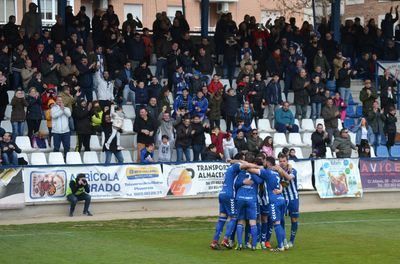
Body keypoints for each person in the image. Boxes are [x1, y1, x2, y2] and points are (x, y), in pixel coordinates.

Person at [210, 156, 254, 250]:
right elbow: (246, 164)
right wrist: (260, 167)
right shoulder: (236, 166)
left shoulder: (228, 169)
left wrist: (235, 160)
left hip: (222, 193)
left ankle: (214, 241)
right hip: (230, 194)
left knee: (222, 217)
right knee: (234, 217)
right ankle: (225, 240)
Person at [278, 153, 299, 248]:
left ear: (287, 161)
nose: (282, 163)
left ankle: (291, 240)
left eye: (284, 161)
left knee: (294, 219)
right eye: (280, 161)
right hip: (282, 198)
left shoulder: (292, 170)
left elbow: (289, 178)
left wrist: (281, 170)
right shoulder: (276, 170)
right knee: (281, 219)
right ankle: (284, 239)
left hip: (293, 198)